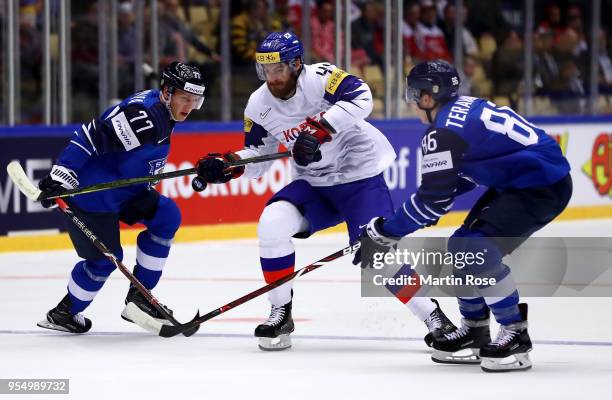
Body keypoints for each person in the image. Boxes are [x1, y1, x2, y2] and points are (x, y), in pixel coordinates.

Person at [193, 31, 456, 351]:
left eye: (278, 70)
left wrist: (319, 131)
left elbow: (362, 96)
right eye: (266, 71)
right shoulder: (258, 104)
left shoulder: (321, 77)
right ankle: (280, 312)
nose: (271, 79)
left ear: (296, 64)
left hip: (360, 178)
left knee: (376, 256)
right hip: (315, 184)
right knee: (272, 223)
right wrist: (228, 164)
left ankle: (435, 317)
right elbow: (259, 159)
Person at [358, 60, 572, 372]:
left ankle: (515, 332)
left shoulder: (442, 132)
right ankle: (474, 328)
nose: (412, 102)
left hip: (539, 187)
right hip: (525, 179)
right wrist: (402, 222)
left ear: (428, 97)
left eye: (414, 94)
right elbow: (454, 183)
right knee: (462, 246)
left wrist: (387, 231)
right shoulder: (462, 110)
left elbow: (433, 201)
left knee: (475, 249)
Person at [36, 62, 206, 334]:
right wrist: (61, 173)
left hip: (125, 192)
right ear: (167, 91)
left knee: (166, 216)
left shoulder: (163, 113)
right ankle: (64, 313)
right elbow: (90, 136)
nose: (189, 106)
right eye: (185, 98)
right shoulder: (147, 117)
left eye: (195, 100)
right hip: (94, 197)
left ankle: (140, 298)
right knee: (105, 260)